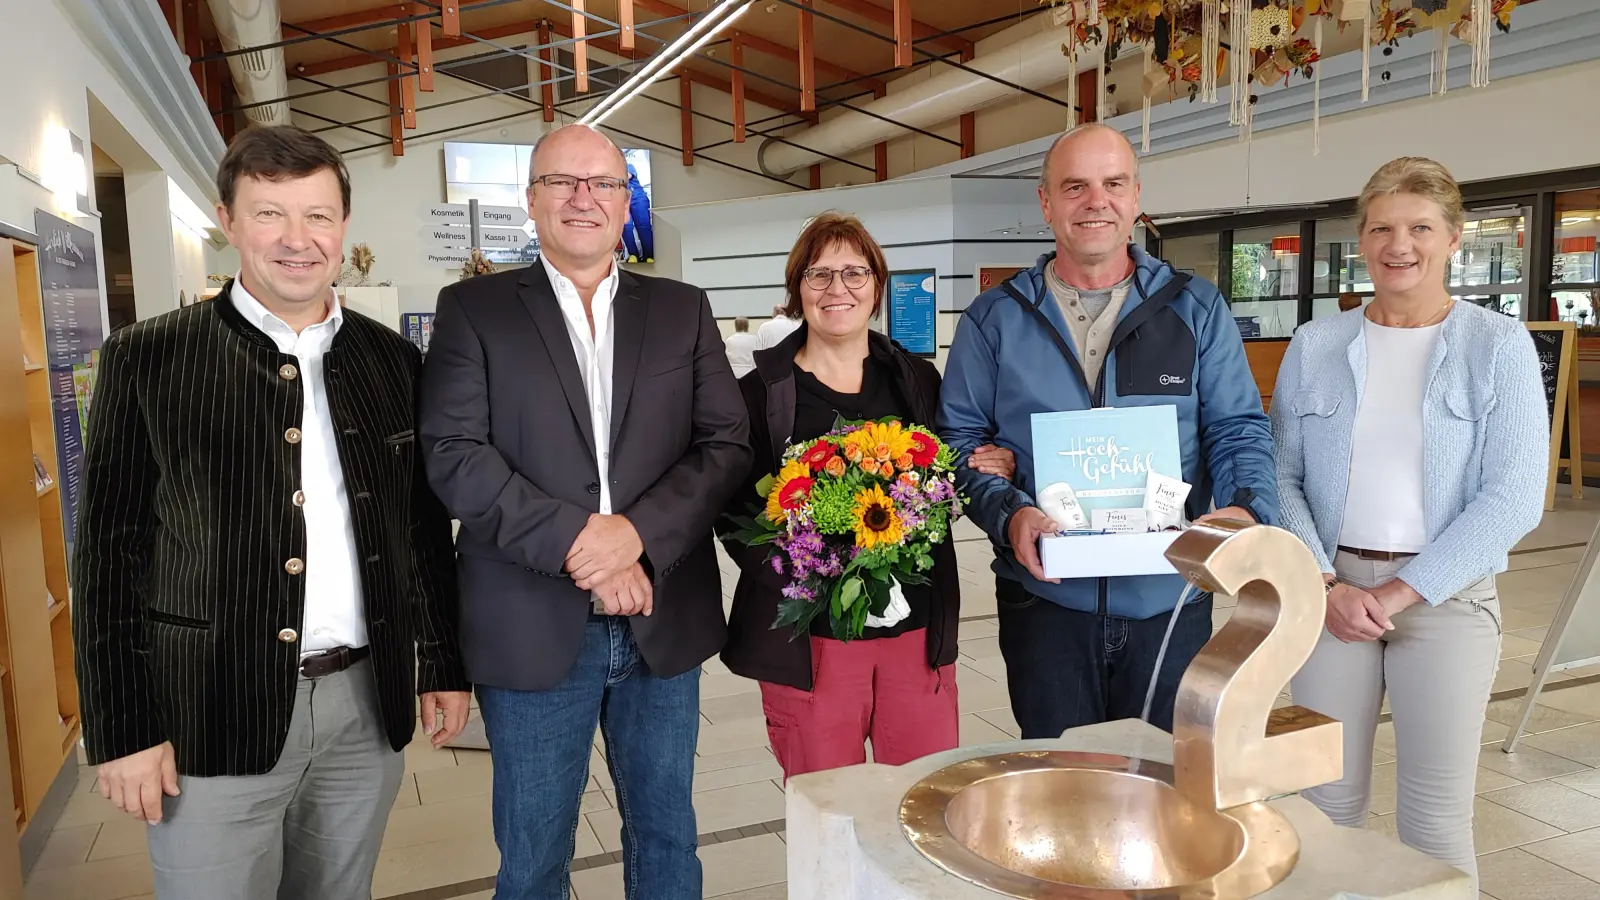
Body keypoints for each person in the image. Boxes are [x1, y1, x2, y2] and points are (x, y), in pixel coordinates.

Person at [72, 125, 471, 900]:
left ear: (343, 227)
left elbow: (421, 530)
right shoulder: (147, 358)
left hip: (365, 705)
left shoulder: (392, 361)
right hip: (208, 711)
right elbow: (108, 559)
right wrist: (121, 730)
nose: (297, 240)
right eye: (269, 215)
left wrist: (443, 662)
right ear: (227, 220)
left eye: (317, 216)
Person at [419, 124, 751, 900]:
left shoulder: (680, 308)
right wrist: (585, 545)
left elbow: (726, 444)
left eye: (602, 183)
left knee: (668, 836)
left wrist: (635, 536)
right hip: (531, 624)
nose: (583, 197)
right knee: (533, 858)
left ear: (625, 201)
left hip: (661, 618)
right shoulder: (474, 310)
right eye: (562, 182)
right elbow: (454, 455)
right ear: (530, 201)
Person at [938, 123, 1278, 737]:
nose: (1096, 202)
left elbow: (1237, 430)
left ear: (1136, 197)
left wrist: (1245, 509)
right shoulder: (994, 320)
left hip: (1169, 600)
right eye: (1075, 187)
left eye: (1113, 184)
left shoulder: (1195, 308)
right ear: (1046, 203)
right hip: (1047, 604)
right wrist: (1009, 514)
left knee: (1166, 795)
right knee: (1059, 792)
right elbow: (958, 445)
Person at [1274, 157, 1545, 890]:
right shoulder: (1315, 346)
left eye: (1421, 228)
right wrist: (1326, 582)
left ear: (1454, 238)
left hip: (1447, 600)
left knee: (1434, 815)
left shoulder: (1498, 346)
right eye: (1384, 228)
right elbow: (1280, 475)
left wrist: (1399, 593)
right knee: (1324, 805)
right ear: (1361, 240)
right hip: (1331, 599)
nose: (1402, 245)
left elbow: (1515, 497)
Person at [717, 212, 1015, 779]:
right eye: (819, 274)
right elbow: (732, 513)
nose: (838, 289)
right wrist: (810, 575)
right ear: (796, 289)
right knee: (829, 817)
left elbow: (954, 460)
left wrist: (991, 460)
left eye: (854, 273)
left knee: (922, 805)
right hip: (811, 642)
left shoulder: (918, 380)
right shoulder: (758, 396)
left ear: (877, 287)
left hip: (916, 632)